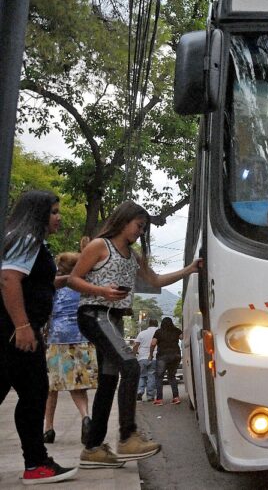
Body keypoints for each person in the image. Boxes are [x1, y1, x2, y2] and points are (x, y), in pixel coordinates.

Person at [68, 200, 201, 468]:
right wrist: (102, 291)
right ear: (124, 220)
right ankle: (128, 436)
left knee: (108, 381)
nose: (140, 232)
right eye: (138, 226)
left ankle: (93, 448)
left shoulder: (134, 255)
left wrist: (188, 270)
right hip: (94, 314)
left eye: (143, 229)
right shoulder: (99, 246)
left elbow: (155, 281)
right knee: (130, 367)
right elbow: (73, 279)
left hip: (113, 318)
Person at [0, 190, 79, 484]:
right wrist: (22, 326)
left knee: (30, 394)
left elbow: (36, 283)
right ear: (38, 214)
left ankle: (36, 462)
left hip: (18, 330)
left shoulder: (26, 239)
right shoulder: (26, 238)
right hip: (17, 332)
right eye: (54, 212)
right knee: (34, 395)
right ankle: (35, 464)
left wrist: (70, 280)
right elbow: (9, 279)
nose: (58, 218)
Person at [43, 252, 98, 446]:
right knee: (78, 385)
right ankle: (85, 416)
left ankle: (48, 428)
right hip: (82, 338)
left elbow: (46, 312)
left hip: (57, 339)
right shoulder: (84, 288)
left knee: (51, 387)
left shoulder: (55, 288)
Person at [150, 317, 182, 406]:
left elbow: (153, 343)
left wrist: (150, 354)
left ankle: (159, 399)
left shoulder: (159, 332)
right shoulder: (176, 330)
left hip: (162, 356)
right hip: (175, 355)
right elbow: (183, 338)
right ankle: (176, 398)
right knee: (172, 376)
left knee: (159, 377)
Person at [133, 318, 158, 402]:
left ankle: (139, 391)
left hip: (142, 357)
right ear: (157, 324)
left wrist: (134, 354)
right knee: (151, 376)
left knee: (141, 376)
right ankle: (150, 396)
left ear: (149, 324)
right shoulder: (158, 332)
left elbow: (136, 345)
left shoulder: (142, 333)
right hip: (154, 357)